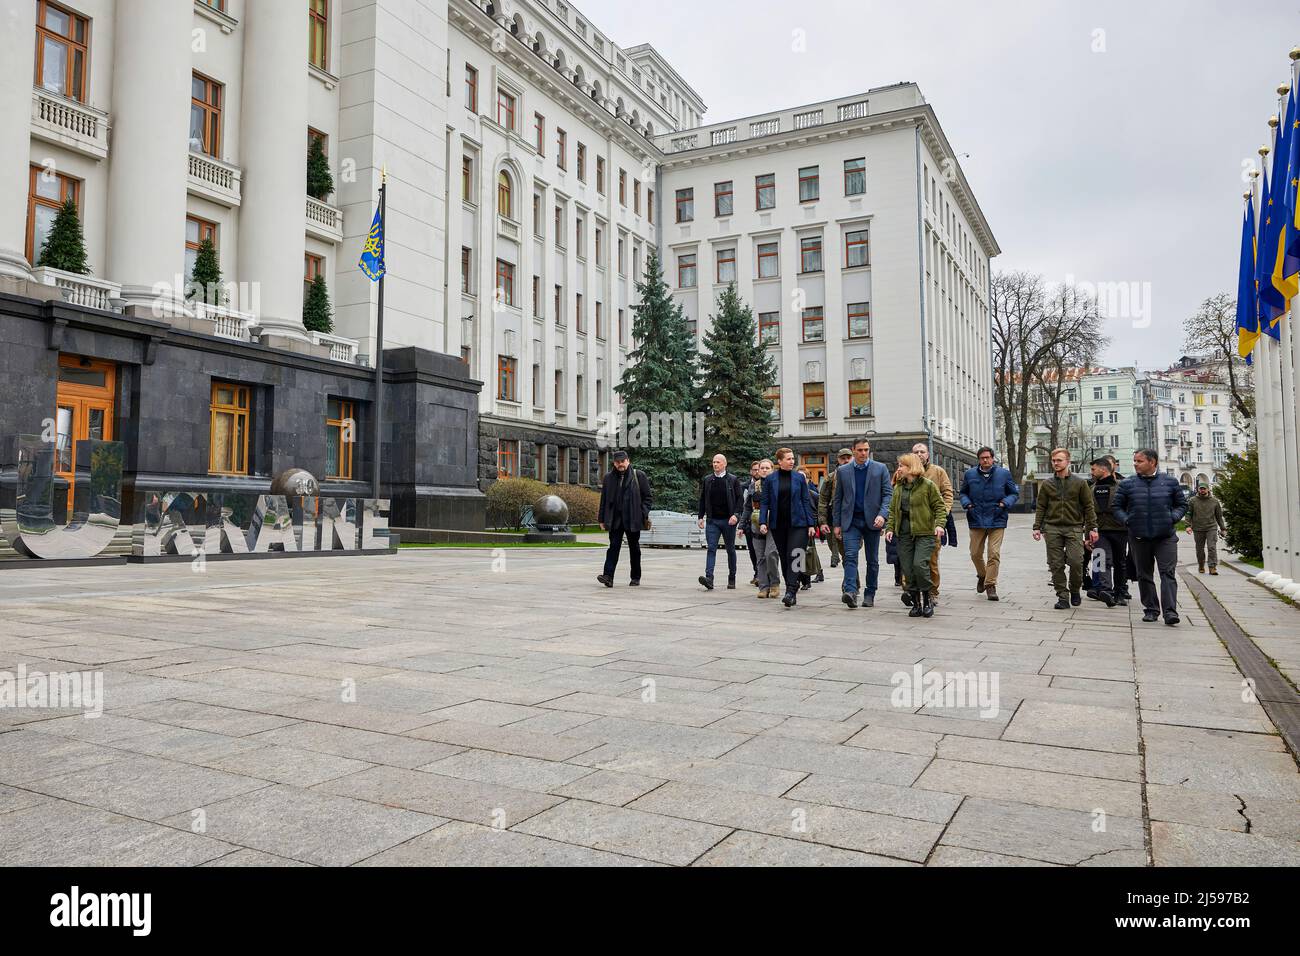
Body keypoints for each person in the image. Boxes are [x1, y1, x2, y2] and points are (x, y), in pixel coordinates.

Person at [1114, 449, 1187, 626]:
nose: (1135, 464)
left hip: (1165, 537)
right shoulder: (1127, 484)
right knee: (1144, 574)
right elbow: (1117, 507)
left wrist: (1173, 517)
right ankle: (1151, 610)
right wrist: (1128, 521)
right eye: (1135, 461)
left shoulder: (1169, 482)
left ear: (1152, 462)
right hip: (1139, 537)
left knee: (1167, 573)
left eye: (1139, 461)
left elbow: (1182, 504)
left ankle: (1170, 612)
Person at [1032, 448, 1098, 610]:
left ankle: (1075, 590)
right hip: (1052, 528)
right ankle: (1062, 595)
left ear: (1068, 462)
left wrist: (1092, 528)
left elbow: (1088, 506)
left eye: (1059, 460)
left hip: (1074, 528)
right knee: (1056, 564)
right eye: (1053, 460)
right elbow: (1041, 506)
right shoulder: (1047, 484)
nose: (1056, 463)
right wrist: (1037, 527)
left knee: (1076, 561)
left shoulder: (1080, 483)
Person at [830, 437, 892, 609]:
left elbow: (888, 495)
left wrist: (883, 515)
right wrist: (837, 524)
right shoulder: (843, 471)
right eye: (860, 450)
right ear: (853, 450)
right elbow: (838, 499)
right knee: (850, 556)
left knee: (872, 560)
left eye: (866, 449)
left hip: (873, 521)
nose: (863, 453)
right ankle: (850, 592)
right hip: (851, 521)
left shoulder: (880, 469)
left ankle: (870, 593)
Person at [885, 453, 948, 618]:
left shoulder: (928, 486)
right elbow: (892, 511)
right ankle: (916, 603)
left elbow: (940, 507)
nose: (899, 469)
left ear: (911, 467)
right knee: (908, 568)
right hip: (904, 534)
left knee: (920, 565)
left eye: (902, 466)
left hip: (925, 533)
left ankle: (927, 600)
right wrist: (890, 528)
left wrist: (940, 525)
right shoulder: (899, 488)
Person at [958, 446, 1019, 602]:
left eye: (988, 457)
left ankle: (990, 585)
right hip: (976, 517)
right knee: (975, 553)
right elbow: (963, 492)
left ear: (993, 458)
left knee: (993, 553)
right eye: (982, 458)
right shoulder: (970, 474)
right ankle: (983, 575)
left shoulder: (1003, 474)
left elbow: (1013, 493)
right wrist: (968, 505)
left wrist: (1004, 504)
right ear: (978, 459)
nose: (985, 460)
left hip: (997, 517)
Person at [758, 448, 816, 607]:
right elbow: (764, 502)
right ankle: (792, 587)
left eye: (792, 459)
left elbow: (806, 501)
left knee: (795, 555)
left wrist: (811, 524)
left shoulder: (799, 478)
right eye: (789, 459)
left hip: (798, 524)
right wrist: (763, 522)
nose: (792, 461)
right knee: (784, 558)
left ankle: (790, 590)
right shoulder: (770, 479)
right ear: (780, 461)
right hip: (778, 525)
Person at [596, 450, 652, 587]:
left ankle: (635, 577)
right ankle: (608, 576)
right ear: (614, 463)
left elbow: (648, 498)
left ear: (628, 461)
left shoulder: (638, 476)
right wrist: (601, 519)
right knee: (613, 547)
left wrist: (642, 513)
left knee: (634, 548)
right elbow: (603, 500)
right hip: (615, 519)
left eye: (622, 461)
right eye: (617, 462)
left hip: (633, 518)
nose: (620, 464)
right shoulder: (609, 478)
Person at [911, 442, 954, 605]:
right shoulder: (906, 471)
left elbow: (947, 493)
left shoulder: (937, 471)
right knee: (909, 560)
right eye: (916, 452)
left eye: (923, 451)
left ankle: (932, 592)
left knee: (931, 561)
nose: (920, 454)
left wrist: (945, 512)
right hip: (912, 524)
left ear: (928, 454)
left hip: (932, 524)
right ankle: (911, 591)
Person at [696, 453, 745, 590]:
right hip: (712, 521)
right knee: (711, 548)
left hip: (728, 521)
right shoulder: (708, 480)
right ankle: (709, 578)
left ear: (725, 464)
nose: (715, 464)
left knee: (730, 549)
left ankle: (732, 577)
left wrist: (736, 515)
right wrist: (700, 516)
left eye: (718, 462)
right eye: (713, 462)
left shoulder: (733, 480)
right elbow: (702, 499)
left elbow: (740, 500)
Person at [1087, 457, 1127, 608]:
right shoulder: (1090, 488)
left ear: (1103, 469)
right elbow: (1088, 514)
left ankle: (1120, 593)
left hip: (1120, 530)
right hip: (1099, 531)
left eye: (1093, 469)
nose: (1091, 472)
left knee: (1120, 562)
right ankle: (1106, 591)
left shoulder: (1121, 486)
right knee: (1102, 559)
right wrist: (1087, 535)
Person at [750, 459, 781, 598]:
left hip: (774, 524)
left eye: (767, 468)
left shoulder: (778, 484)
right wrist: (742, 524)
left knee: (771, 554)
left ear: (772, 469)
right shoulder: (753, 486)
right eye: (761, 468)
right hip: (757, 524)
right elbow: (746, 506)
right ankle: (763, 587)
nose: (763, 470)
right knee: (760, 557)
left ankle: (774, 583)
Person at [819, 449, 853, 569]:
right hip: (834, 517)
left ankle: (851, 581)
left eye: (848, 457)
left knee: (851, 553)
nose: (846, 460)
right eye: (843, 458)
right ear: (838, 460)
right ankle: (851, 580)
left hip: (853, 519)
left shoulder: (858, 474)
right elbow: (823, 500)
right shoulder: (831, 478)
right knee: (836, 545)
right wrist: (822, 521)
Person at [1186, 482, 1227, 575]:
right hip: (1198, 528)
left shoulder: (1214, 501)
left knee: (1211, 547)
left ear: (1208, 489)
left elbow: (1219, 516)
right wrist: (1188, 526)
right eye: (1201, 488)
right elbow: (1188, 514)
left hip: (1211, 527)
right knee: (1199, 549)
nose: (1202, 490)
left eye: (1204, 488)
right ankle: (1201, 565)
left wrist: (1223, 528)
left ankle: (1212, 567)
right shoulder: (1192, 500)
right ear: (1198, 489)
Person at [797, 467, 824, 588]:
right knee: (796, 553)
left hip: (809, 528)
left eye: (804, 477)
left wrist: (819, 529)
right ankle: (796, 579)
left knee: (807, 553)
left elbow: (818, 513)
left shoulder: (813, 495)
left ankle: (806, 580)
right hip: (795, 527)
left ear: (808, 480)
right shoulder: (792, 494)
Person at [741, 461, 761, 585]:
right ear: (751, 471)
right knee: (752, 550)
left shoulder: (766, 484)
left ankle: (761, 574)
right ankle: (756, 571)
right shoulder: (745, 486)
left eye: (758, 469)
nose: (757, 472)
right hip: (749, 522)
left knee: (762, 550)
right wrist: (741, 525)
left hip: (763, 522)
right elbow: (744, 506)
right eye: (754, 470)